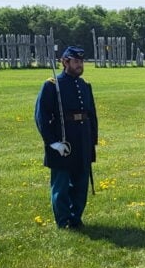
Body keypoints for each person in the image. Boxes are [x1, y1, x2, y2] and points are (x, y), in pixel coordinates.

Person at [34, 46, 98, 229]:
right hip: (64, 140)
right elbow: (41, 116)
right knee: (61, 184)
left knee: (81, 182)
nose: (79, 65)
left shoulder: (85, 86)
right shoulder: (52, 85)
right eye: (75, 61)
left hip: (82, 140)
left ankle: (76, 218)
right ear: (64, 62)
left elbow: (91, 114)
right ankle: (63, 221)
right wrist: (53, 142)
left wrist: (92, 139)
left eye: (81, 62)